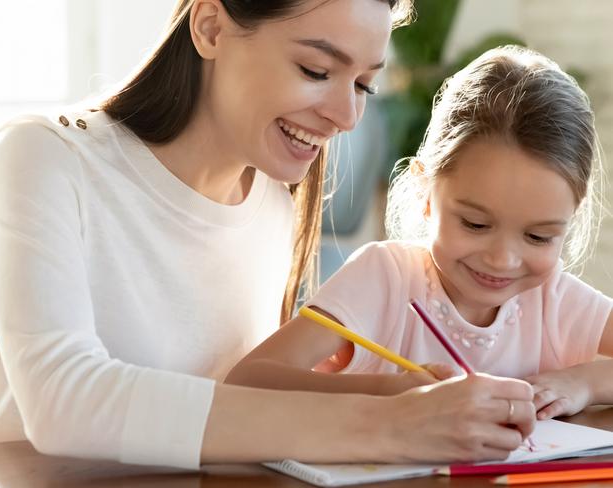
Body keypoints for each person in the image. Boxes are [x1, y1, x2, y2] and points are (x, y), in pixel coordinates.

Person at [0, 0, 535, 469]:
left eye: (363, 84)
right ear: (211, 27)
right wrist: (389, 424)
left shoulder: (271, 203)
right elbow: (67, 401)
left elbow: (229, 406)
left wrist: (396, 394)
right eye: (317, 71)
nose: (346, 115)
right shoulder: (44, 157)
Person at [228, 45, 613, 426]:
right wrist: (392, 394)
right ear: (424, 192)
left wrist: (583, 382)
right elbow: (247, 381)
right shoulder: (385, 279)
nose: (503, 259)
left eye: (539, 237)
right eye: (476, 225)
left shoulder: (553, 301)